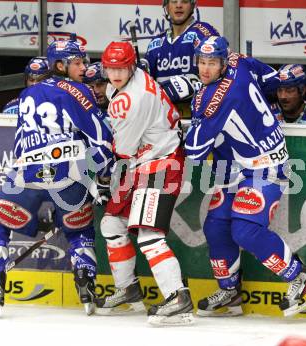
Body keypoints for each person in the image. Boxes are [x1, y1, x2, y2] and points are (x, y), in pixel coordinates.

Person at [0, 39, 113, 317]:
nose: (84, 67)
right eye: (78, 62)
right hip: (68, 177)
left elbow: (21, 143)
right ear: (60, 65)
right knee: (79, 229)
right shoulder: (80, 91)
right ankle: (86, 283)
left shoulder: (27, 94)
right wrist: (102, 177)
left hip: (27, 176)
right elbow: (102, 138)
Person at [184, 36, 306, 318]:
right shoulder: (239, 61)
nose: (205, 69)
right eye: (202, 62)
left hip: (265, 166)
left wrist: (192, 120)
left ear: (223, 63)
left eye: (212, 63)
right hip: (238, 166)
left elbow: (195, 152)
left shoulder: (213, 99)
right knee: (216, 226)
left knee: (245, 230)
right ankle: (231, 291)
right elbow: (271, 78)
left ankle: (302, 280)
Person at [96, 41, 193, 326]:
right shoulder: (131, 81)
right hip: (145, 160)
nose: (115, 74)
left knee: (149, 235)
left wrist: (104, 176)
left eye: (121, 67)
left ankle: (178, 297)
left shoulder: (132, 100)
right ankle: (128, 289)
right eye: (110, 68)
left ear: (132, 66)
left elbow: (123, 150)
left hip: (160, 163)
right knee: (111, 224)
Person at [144, 0, 220, 117]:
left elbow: (222, 77)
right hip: (163, 123)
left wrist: (193, 87)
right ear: (166, 6)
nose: (179, 5)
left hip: (199, 119)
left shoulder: (203, 34)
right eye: (174, 1)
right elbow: (147, 88)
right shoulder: (155, 44)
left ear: (193, 5)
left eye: (184, 1)